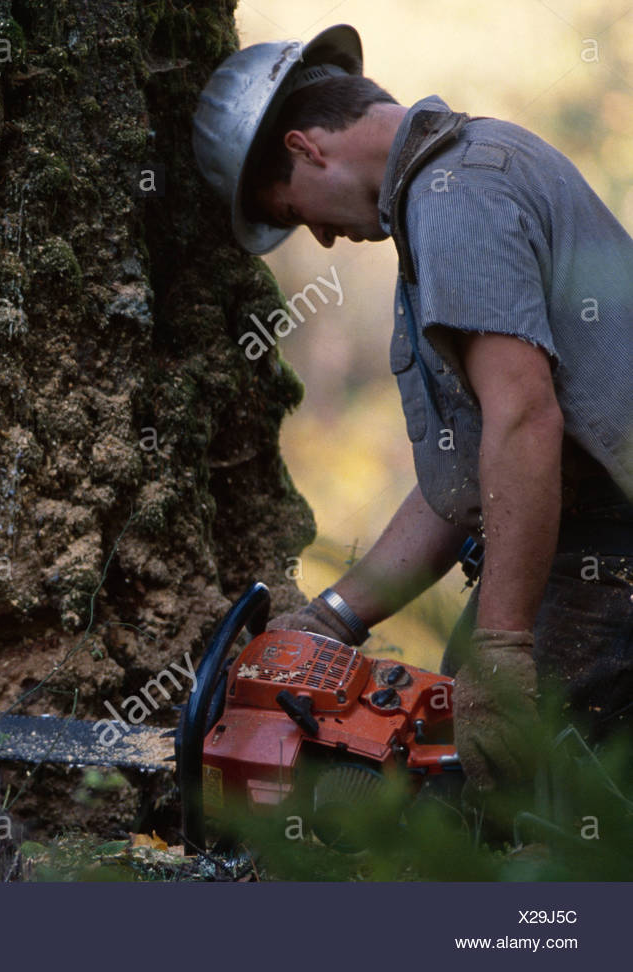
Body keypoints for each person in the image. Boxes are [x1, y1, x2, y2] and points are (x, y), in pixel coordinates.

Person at [191, 25, 633, 794]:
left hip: (611, 552)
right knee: (462, 774)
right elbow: (472, 480)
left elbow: (525, 419)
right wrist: (332, 619)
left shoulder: (456, 199)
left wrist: (501, 647)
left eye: (296, 213)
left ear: (306, 149)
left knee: (490, 803)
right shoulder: (462, 180)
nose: (322, 237)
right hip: (586, 543)